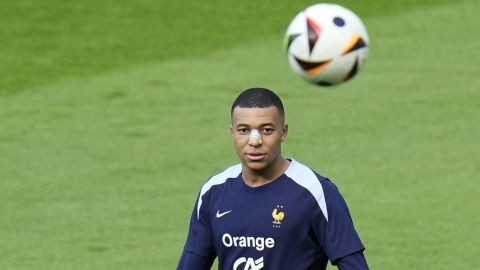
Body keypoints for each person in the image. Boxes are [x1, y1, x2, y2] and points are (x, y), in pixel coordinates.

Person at [177, 87, 369, 270]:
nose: (255, 141)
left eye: (266, 130)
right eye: (244, 130)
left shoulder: (316, 192)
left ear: (283, 132)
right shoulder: (213, 191)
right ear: (232, 133)